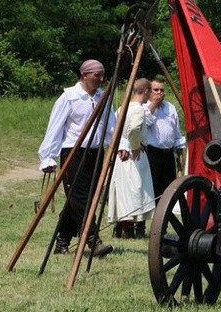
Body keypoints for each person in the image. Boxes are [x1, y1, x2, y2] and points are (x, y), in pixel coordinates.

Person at [38, 59, 114, 257]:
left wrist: (118, 146)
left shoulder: (102, 97)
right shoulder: (69, 97)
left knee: (82, 198)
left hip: (96, 153)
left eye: (102, 74)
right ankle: (92, 239)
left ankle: (62, 242)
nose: (100, 79)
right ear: (84, 75)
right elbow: (55, 128)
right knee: (80, 198)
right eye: (96, 75)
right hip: (74, 152)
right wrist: (48, 157)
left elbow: (111, 125)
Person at [108, 78, 155, 239]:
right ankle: (127, 228)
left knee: (126, 191)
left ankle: (123, 227)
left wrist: (123, 145)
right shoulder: (138, 109)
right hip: (134, 154)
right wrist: (134, 145)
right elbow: (134, 128)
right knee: (134, 191)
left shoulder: (122, 108)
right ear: (146, 91)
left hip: (124, 152)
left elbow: (115, 129)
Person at [143, 79, 186, 209]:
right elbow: (144, 124)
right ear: (149, 91)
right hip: (151, 153)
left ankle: (162, 225)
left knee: (167, 191)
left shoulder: (170, 107)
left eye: (162, 90)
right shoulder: (145, 108)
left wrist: (179, 151)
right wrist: (154, 105)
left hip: (167, 155)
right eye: (156, 90)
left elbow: (177, 132)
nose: (159, 92)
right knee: (149, 190)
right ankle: (140, 227)